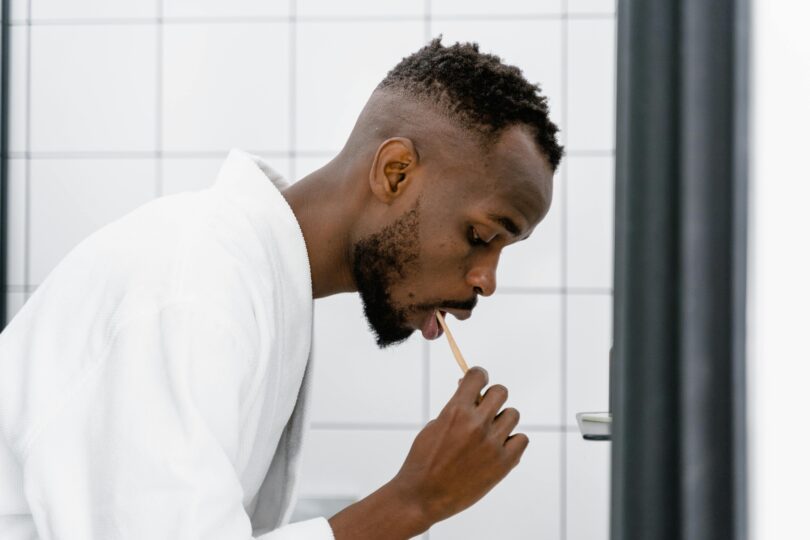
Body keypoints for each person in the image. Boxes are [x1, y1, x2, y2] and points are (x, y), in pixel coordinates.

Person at [0, 38, 563, 539]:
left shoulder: (250, 281)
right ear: (395, 172)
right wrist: (413, 501)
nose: (486, 281)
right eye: (481, 235)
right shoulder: (192, 287)